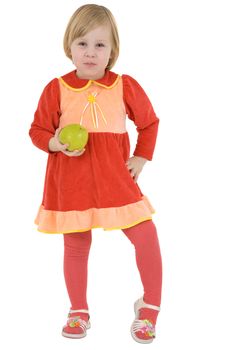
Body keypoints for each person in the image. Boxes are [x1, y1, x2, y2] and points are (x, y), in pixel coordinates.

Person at [29, 4, 162, 344]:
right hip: (71, 183)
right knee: (76, 245)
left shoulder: (123, 85)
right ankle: (78, 310)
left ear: (112, 51)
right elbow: (38, 131)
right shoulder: (56, 88)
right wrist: (55, 143)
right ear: (69, 47)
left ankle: (149, 308)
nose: (90, 52)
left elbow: (149, 123)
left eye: (100, 45)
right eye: (82, 43)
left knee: (145, 236)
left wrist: (141, 157)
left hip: (115, 181)